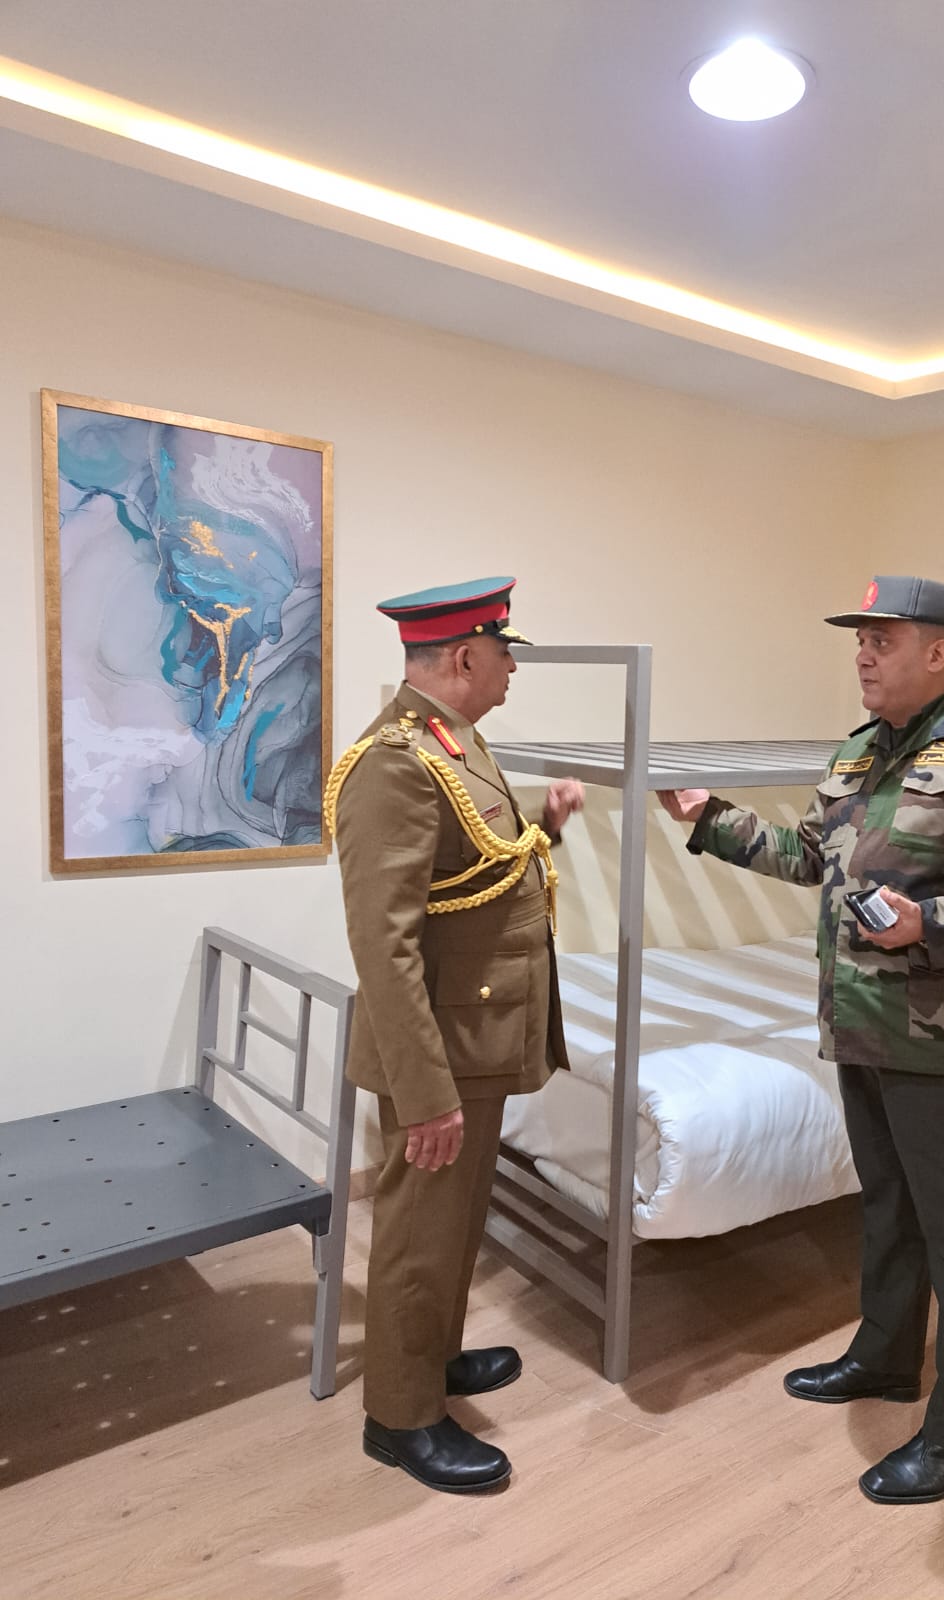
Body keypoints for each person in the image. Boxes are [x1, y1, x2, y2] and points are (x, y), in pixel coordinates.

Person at [658, 575, 944, 1505]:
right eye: (859, 639)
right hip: (860, 1021)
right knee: (888, 1205)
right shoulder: (860, 750)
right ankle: (887, 1358)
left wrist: (932, 923)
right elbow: (814, 858)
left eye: (881, 639)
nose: (862, 654)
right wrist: (709, 819)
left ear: (939, 651)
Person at [325, 576, 583, 1494]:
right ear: (466, 656)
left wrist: (545, 826)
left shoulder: (453, 738)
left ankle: (431, 1356)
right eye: (505, 652)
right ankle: (401, 1418)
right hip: (437, 1048)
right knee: (417, 1230)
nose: (513, 668)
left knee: (455, 1221)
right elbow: (383, 942)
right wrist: (426, 1091)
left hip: (475, 1036)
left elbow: (474, 867)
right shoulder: (393, 762)